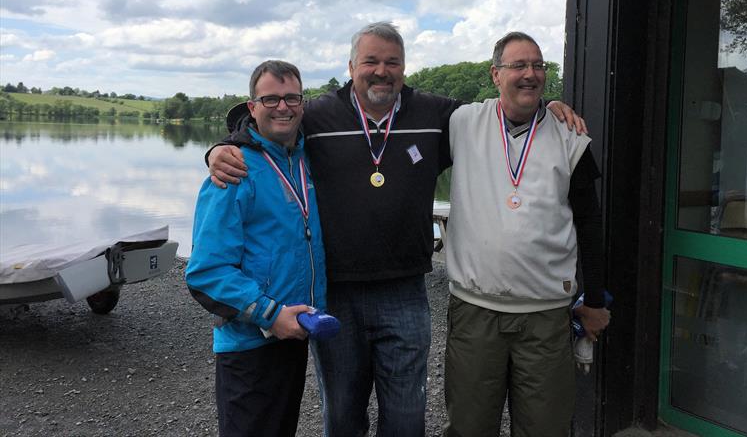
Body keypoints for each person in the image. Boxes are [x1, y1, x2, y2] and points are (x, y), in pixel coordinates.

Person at [207, 22, 586, 437]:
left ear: (405, 68)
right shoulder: (317, 116)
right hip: (337, 293)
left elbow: (506, 108)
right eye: (371, 61)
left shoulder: (436, 115)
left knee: (407, 419)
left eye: (392, 62)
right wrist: (223, 146)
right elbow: (268, 120)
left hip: (405, 291)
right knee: (343, 416)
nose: (381, 71)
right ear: (352, 66)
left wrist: (548, 104)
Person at [443, 31, 610, 437]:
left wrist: (595, 300)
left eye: (538, 65)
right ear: (495, 74)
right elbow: (393, 116)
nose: (530, 74)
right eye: (518, 65)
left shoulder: (570, 137)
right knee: (469, 426)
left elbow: (590, 223)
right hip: (475, 310)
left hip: (546, 315)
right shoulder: (462, 122)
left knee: (546, 427)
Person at [186, 60, 327, 437]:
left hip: (292, 334)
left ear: (303, 103)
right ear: (252, 107)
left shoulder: (304, 156)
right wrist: (270, 314)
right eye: (271, 99)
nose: (283, 107)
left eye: (292, 98)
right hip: (250, 344)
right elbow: (206, 272)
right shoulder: (233, 169)